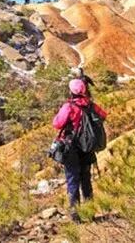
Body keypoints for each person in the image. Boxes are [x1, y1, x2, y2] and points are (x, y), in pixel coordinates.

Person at [53, 79, 108, 219]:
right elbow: (103, 115)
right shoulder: (91, 105)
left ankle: (75, 215)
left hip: (72, 148)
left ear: (71, 91)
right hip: (88, 148)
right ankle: (90, 213)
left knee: (72, 180)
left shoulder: (69, 106)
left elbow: (57, 124)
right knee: (86, 180)